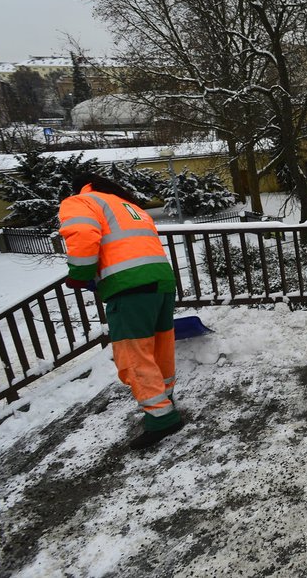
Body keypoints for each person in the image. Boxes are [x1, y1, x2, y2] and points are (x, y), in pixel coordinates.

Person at [58, 172, 183, 450]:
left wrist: (80, 273)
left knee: (133, 356)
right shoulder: (127, 205)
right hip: (161, 279)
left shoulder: (81, 201)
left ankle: (162, 419)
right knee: (160, 347)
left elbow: (82, 234)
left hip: (129, 286)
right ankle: (165, 401)